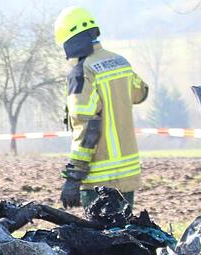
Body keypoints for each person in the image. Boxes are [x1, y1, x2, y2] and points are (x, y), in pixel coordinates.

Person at [54, 6, 148, 210]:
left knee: (103, 240)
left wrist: (74, 177)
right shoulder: (121, 62)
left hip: (99, 178)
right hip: (128, 174)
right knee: (125, 236)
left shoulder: (82, 72)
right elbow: (142, 93)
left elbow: (87, 126)